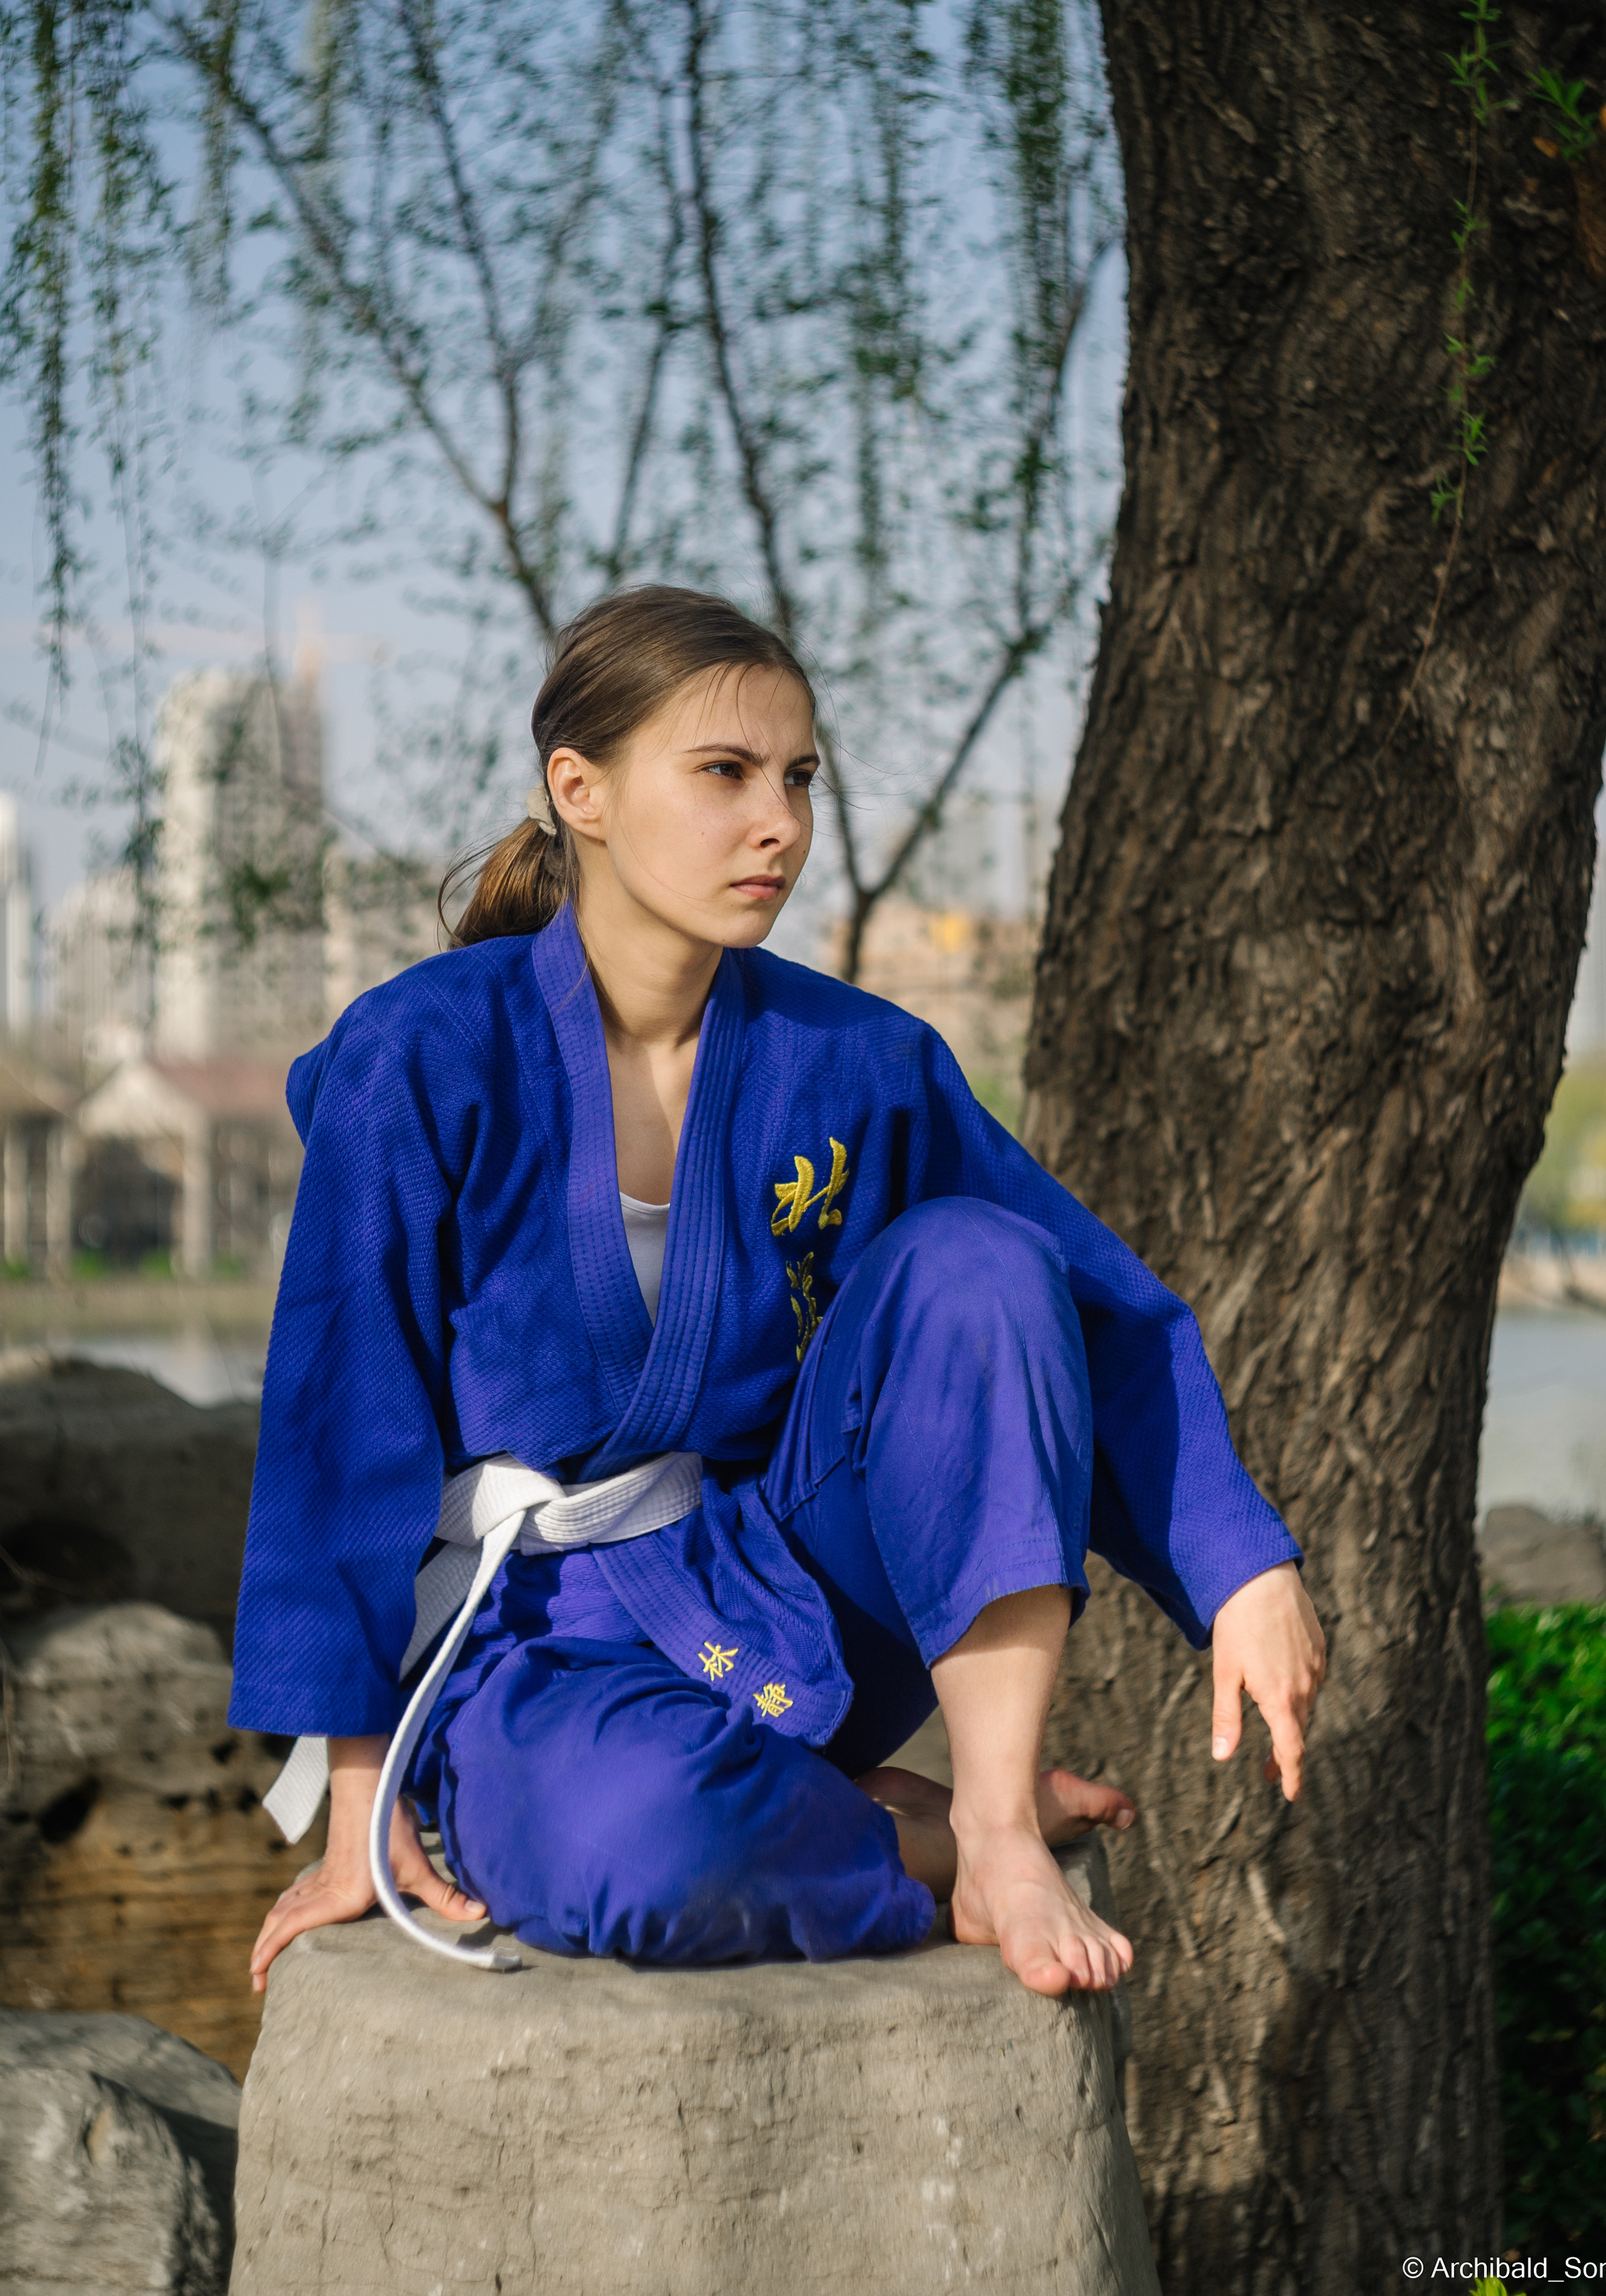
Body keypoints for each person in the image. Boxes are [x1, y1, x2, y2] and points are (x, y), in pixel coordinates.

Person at [235, 587, 1325, 2003]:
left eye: (799, 778)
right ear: (580, 790)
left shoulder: (860, 1060)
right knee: (641, 1851)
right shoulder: (421, 1054)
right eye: (725, 774)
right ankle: (907, 1836)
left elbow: (1091, 1309)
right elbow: (339, 1428)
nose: (781, 825)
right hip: (533, 1646)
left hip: (780, 1590)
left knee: (983, 1261)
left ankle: (999, 1828)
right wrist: (356, 1798)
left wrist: (1240, 1563)